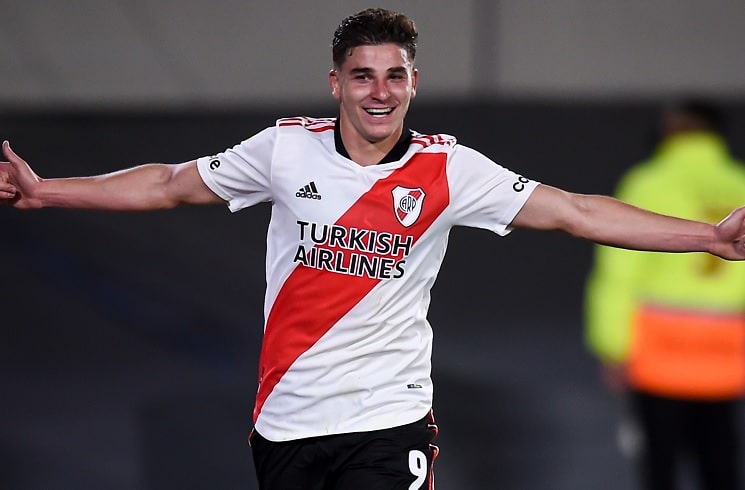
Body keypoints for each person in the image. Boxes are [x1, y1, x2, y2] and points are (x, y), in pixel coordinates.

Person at [3, 8, 745, 490]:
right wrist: (45, 192)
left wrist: (708, 238)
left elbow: (577, 212)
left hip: (389, 422)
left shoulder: (449, 169)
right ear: (337, 84)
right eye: (363, 76)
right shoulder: (284, 151)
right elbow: (168, 184)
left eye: (395, 76)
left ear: (414, 83)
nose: (379, 92)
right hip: (287, 424)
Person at [584, 99, 745, 490]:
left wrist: (612, 346)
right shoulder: (740, 182)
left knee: (660, 467)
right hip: (729, 351)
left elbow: (619, 272)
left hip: (660, 352)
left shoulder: (648, 182)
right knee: (721, 463)